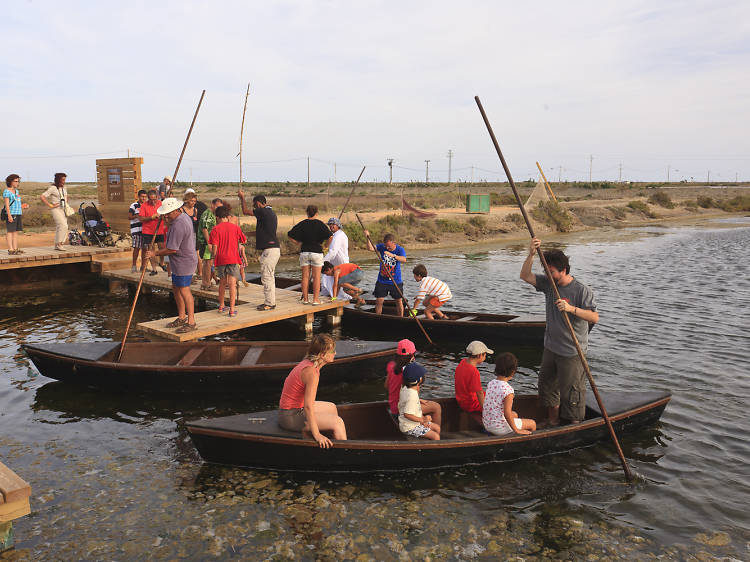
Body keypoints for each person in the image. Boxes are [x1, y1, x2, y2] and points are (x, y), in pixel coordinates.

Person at [520, 237, 599, 426]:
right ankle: (553, 421)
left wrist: (571, 309)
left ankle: (574, 425)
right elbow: (525, 276)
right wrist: (531, 254)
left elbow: (594, 317)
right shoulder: (548, 284)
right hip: (550, 347)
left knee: (572, 392)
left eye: (552, 271)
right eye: (546, 270)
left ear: (563, 271)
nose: (547, 274)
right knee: (547, 386)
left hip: (572, 351)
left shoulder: (581, 290)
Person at [278, 334, 347, 448]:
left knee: (332, 407)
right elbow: (308, 407)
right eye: (332, 351)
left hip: (295, 409)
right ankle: (346, 453)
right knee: (338, 422)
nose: (335, 353)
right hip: (290, 416)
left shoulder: (309, 362)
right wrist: (317, 434)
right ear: (322, 355)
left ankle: (330, 441)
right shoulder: (311, 373)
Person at [144, 197, 198, 333]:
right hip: (178, 261)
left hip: (184, 261)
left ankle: (191, 321)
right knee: (176, 287)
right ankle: (181, 316)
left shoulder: (179, 224)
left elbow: (172, 249)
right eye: (164, 213)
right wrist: (166, 220)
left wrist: (154, 253)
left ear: (175, 210)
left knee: (184, 290)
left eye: (167, 213)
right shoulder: (181, 217)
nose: (165, 215)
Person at [238, 191, 280, 311]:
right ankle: (270, 302)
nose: (254, 209)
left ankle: (269, 303)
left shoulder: (263, 211)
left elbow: (245, 211)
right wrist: (245, 234)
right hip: (273, 249)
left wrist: (242, 198)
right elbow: (260, 233)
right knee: (269, 277)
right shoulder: (270, 214)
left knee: (267, 278)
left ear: (258, 204)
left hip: (270, 250)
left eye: (254, 206)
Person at [385, 339, 442, 426]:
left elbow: (386, 386)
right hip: (402, 410)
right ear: (412, 355)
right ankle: (436, 433)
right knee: (436, 407)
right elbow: (412, 394)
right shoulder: (410, 371)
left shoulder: (391, 365)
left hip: (393, 406)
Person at [287, 205, 332, 306]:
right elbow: (330, 236)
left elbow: (290, 235)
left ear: (307, 213)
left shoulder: (302, 224)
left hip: (305, 252)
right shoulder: (320, 224)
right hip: (316, 252)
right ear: (316, 213)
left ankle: (306, 299)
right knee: (316, 277)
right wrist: (325, 246)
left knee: (305, 277)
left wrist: (298, 243)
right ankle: (316, 300)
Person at [483, 352, 537, 436]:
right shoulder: (508, 391)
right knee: (532, 423)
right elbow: (506, 413)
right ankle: (529, 443)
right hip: (498, 428)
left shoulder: (491, 383)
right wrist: (516, 430)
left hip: (487, 424)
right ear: (513, 371)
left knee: (514, 414)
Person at [209, 204, 247, 318]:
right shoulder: (235, 227)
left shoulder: (215, 229)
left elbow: (214, 247)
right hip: (233, 258)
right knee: (232, 284)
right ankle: (232, 309)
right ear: (227, 216)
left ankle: (221, 306)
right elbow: (243, 240)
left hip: (221, 259)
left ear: (217, 217)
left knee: (222, 282)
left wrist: (213, 257)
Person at [364, 231, 407, 316]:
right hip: (382, 280)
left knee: (398, 301)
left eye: (389, 246)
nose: (387, 248)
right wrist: (368, 238)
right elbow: (371, 248)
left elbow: (404, 259)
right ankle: (378, 317)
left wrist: (393, 255)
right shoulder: (382, 247)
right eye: (386, 246)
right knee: (379, 301)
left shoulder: (400, 249)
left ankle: (401, 318)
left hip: (396, 281)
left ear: (394, 243)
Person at [398, 362, 441, 440]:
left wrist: (418, 400)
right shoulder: (412, 396)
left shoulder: (404, 387)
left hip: (411, 423)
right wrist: (423, 420)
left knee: (437, 428)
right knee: (436, 436)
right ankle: (434, 450)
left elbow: (406, 399)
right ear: (419, 380)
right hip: (410, 427)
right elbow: (407, 414)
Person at [454, 341, 493, 421]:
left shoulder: (462, 362)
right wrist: (484, 409)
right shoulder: (474, 371)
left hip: (461, 399)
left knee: (491, 395)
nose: (485, 357)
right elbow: (479, 393)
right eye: (485, 354)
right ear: (479, 355)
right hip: (470, 403)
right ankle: (489, 424)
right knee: (496, 404)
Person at [138, 189, 167, 275]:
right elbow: (141, 218)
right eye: (151, 199)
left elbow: (166, 215)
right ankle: (154, 269)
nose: (153, 201)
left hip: (159, 230)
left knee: (162, 247)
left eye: (154, 199)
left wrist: (163, 217)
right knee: (150, 249)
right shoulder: (144, 206)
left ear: (157, 197)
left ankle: (162, 263)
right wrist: (151, 217)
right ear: (148, 198)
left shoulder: (160, 204)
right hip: (148, 231)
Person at [39, 172, 70, 251]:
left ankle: (57, 245)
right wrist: (50, 205)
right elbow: (42, 196)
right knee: (63, 225)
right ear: (58, 179)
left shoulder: (64, 188)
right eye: (62, 179)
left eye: (64, 179)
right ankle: (60, 243)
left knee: (61, 226)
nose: (64, 181)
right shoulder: (53, 188)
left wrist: (66, 204)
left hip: (63, 209)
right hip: (56, 209)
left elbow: (66, 196)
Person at [197, 198, 222, 290]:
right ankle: (206, 283)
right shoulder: (207, 214)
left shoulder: (213, 214)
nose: (218, 208)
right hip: (206, 242)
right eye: (217, 206)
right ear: (212, 204)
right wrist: (209, 243)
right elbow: (205, 229)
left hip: (209, 242)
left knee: (208, 263)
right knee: (208, 263)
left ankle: (205, 283)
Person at [3, 174, 28, 255]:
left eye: (18, 181)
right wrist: (9, 215)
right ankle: (10, 250)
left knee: (15, 232)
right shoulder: (7, 191)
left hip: (18, 213)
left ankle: (15, 248)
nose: (18, 183)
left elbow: (16, 202)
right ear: (10, 182)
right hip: (11, 214)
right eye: (16, 181)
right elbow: (7, 205)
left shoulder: (17, 191)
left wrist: (23, 206)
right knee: (10, 231)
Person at [128, 189, 148, 272]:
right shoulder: (134, 205)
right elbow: (129, 217)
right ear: (138, 197)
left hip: (146, 230)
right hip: (136, 230)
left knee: (145, 249)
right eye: (142, 197)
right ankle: (134, 266)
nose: (143, 198)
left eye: (145, 197)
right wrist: (137, 216)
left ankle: (143, 267)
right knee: (136, 248)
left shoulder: (147, 205)